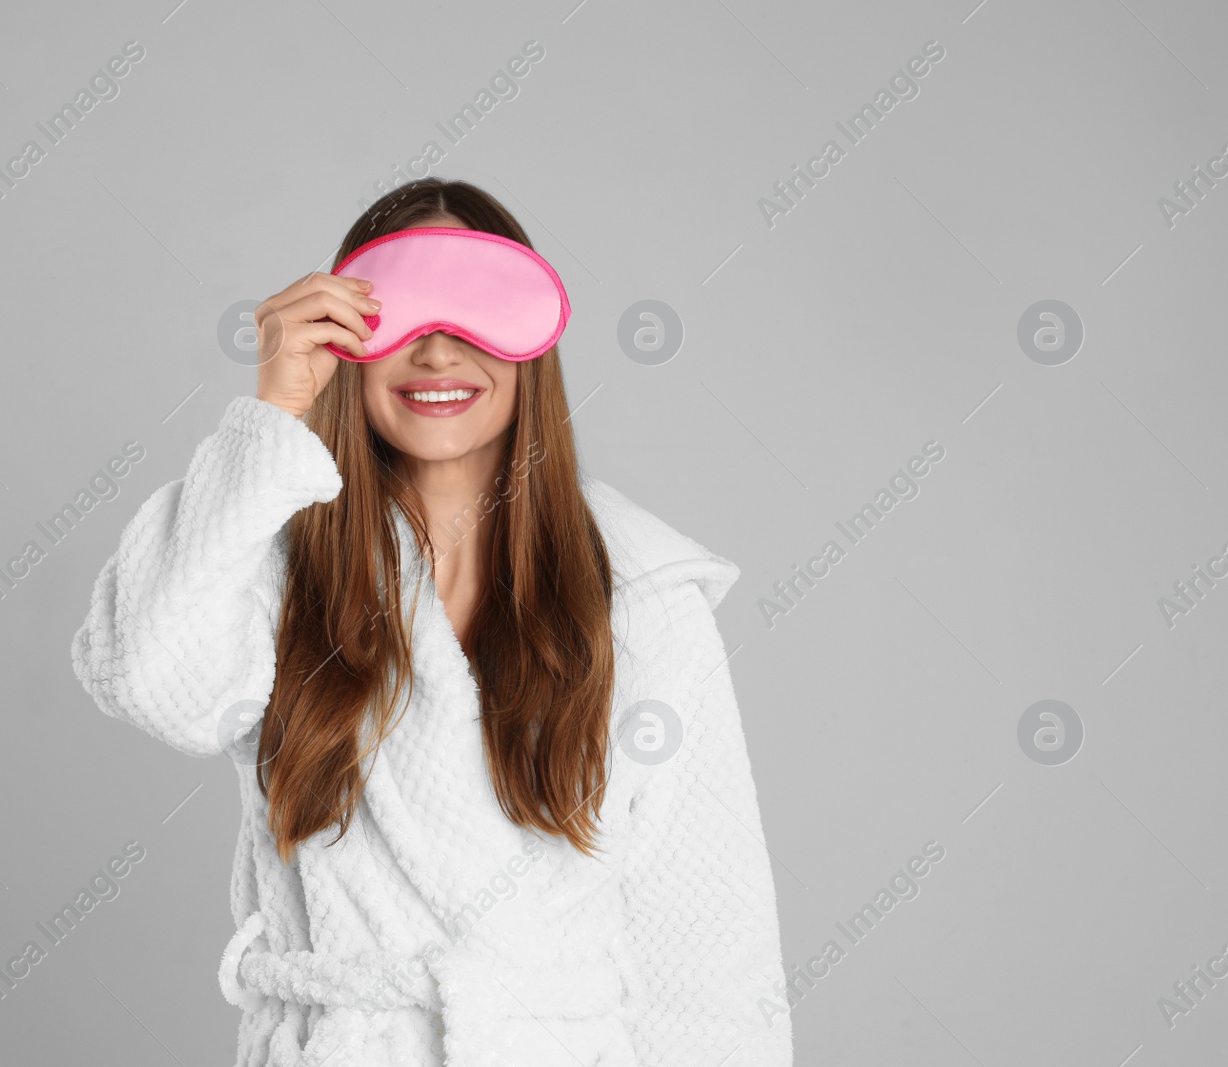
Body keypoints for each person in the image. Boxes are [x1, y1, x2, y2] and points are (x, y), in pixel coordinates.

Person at [71, 177, 792, 1066]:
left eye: (479, 310)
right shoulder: (270, 560)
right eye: (397, 316)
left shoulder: (643, 591)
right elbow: (144, 676)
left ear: (533, 342)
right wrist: (270, 418)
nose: (440, 351)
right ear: (344, 340)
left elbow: (710, 945)